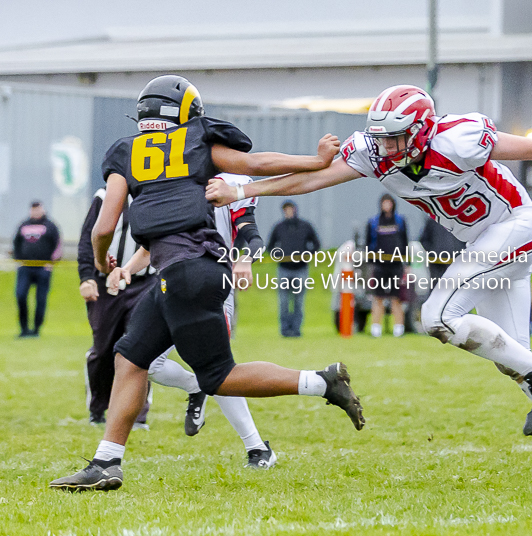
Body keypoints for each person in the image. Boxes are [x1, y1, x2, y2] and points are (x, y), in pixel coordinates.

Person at [207, 84, 532, 487]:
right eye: (381, 137)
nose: (385, 147)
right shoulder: (373, 153)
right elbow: (310, 180)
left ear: (420, 131)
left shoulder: (458, 138)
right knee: (515, 361)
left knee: (436, 316)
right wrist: (246, 190)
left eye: (395, 137)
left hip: (515, 227)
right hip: (484, 242)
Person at [50, 75, 364, 492]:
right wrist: (315, 159)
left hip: (189, 271)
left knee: (217, 376)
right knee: (130, 358)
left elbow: (104, 225)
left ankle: (322, 382)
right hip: (184, 272)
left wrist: (105, 262)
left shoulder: (125, 152)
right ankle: (106, 462)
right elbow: (255, 164)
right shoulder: (197, 140)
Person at [108, 172, 278, 468]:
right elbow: (152, 246)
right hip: (171, 282)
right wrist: (127, 269)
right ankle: (194, 386)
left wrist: (245, 259)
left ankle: (257, 448)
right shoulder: (173, 179)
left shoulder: (229, 180)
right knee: (143, 362)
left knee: (219, 371)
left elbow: (250, 232)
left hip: (209, 284)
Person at [78, 189, 154, 428]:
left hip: (144, 283)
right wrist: (86, 277)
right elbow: (87, 238)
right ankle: (98, 410)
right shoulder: (105, 195)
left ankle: (138, 414)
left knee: (140, 347)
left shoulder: (158, 193)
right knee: (102, 349)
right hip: (106, 283)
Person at [267, 200, 320, 337]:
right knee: (284, 302)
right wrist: (279, 255)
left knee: (298, 301)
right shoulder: (279, 227)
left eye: (290, 209)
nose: (289, 212)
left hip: (301, 269)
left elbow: (316, 244)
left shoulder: (305, 226)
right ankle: (285, 329)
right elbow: (270, 246)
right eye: (286, 210)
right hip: (284, 269)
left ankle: (296, 329)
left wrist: (307, 254)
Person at [12, 201, 62, 337]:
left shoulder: (50, 226)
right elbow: (16, 243)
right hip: (25, 268)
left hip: (43, 268)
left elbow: (57, 244)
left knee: (41, 299)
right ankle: (24, 329)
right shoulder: (23, 225)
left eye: (38, 209)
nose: (35, 212)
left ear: (42, 210)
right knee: (20, 296)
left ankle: (36, 330)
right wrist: (18, 259)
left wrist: (52, 263)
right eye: (33, 210)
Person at [366, 193, 409, 337]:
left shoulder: (400, 221)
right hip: (379, 266)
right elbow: (368, 244)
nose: (387, 206)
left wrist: (406, 264)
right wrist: (372, 261)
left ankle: (398, 329)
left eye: (389, 203)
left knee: (396, 298)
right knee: (378, 297)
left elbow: (405, 243)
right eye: (384, 203)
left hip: (396, 266)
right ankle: (375, 328)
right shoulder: (374, 222)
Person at [419, 216, 465, 285]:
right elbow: (424, 240)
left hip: (455, 261)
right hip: (437, 263)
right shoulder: (433, 221)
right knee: (437, 285)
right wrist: (433, 252)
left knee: (455, 286)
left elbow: (466, 240)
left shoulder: (459, 221)